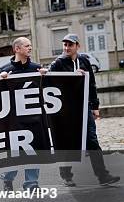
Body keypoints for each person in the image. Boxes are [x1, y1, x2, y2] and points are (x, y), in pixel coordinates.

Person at [48, 33, 120, 187]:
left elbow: (92, 84)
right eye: (65, 45)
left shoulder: (85, 61)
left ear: (77, 46)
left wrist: (95, 107)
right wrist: (71, 76)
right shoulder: (58, 63)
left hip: (84, 106)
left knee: (92, 141)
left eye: (70, 45)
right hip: (66, 109)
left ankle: (103, 176)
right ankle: (66, 175)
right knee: (69, 142)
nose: (67, 47)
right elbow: (49, 81)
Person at [0, 37, 45, 192]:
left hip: (33, 117)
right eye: (27, 46)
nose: (30, 48)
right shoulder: (3, 70)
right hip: (13, 120)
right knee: (14, 152)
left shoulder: (37, 68)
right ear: (17, 49)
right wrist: (0, 80)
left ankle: (31, 184)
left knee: (33, 150)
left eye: (31, 45)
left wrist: (46, 77)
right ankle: (7, 179)